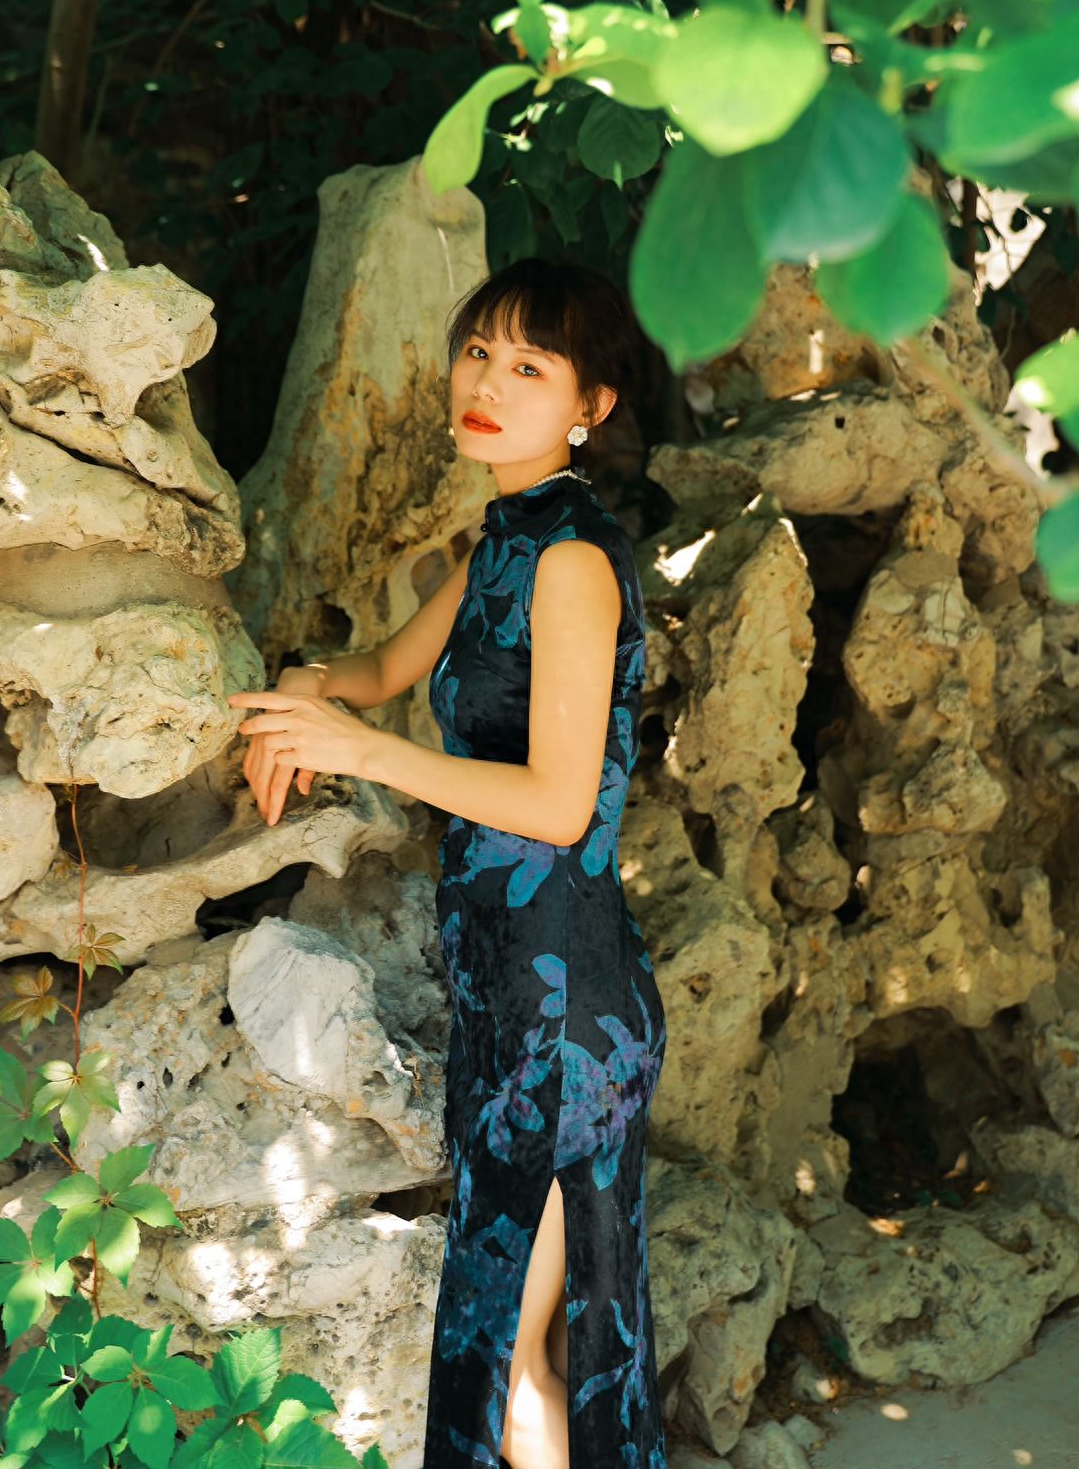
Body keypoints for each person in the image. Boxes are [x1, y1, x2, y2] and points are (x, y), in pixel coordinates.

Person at [229, 256, 668, 1469]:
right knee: (492, 1339)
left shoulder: (573, 560)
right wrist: (303, 700)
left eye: (529, 367)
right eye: (479, 350)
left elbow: (556, 798)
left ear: (590, 409)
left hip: (567, 1011)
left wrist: (357, 747)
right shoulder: (502, 542)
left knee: (516, 1357)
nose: (487, 381)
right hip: (504, 991)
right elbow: (376, 670)